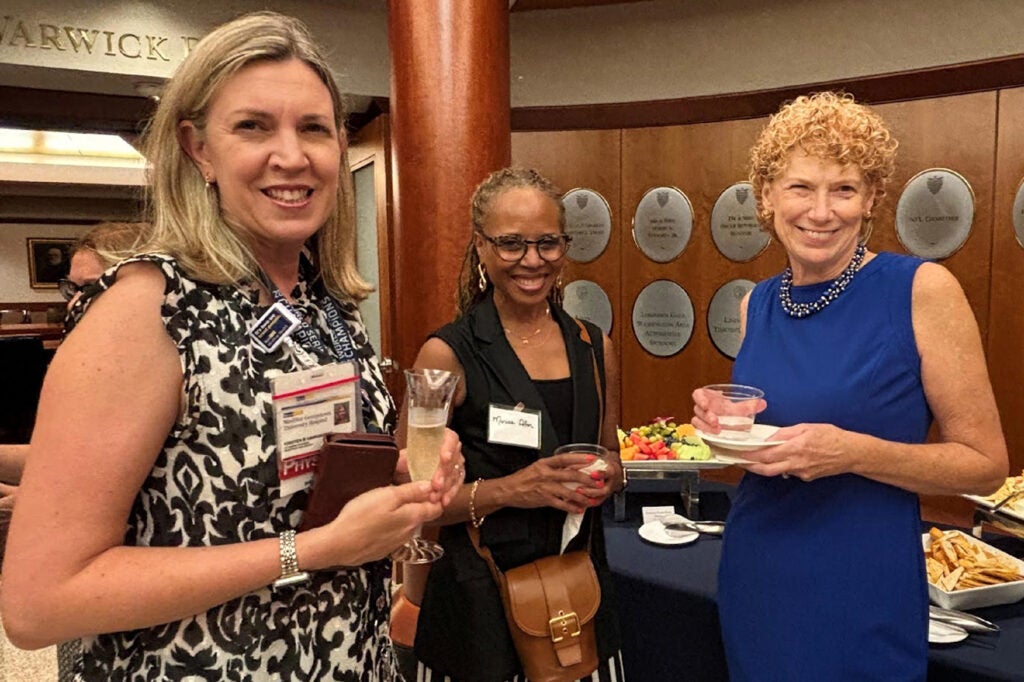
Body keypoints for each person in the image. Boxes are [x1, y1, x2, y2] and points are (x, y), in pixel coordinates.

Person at [0, 12, 461, 681]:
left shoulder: (321, 299)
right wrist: (311, 550)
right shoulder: (145, 310)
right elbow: (38, 603)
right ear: (198, 149)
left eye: (313, 128)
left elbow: (288, 476)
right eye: (253, 127)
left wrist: (394, 472)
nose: (292, 156)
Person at [692, 91, 1008, 680]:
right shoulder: (755, 303)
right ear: (766, 197)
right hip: (758, 569)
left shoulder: (919, 290)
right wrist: (721, 423)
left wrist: (851, 452)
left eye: (843, 189)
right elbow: (772, 432)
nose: (821, 211)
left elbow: (985, 465)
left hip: (860, 581)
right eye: (800, 187)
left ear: (870, 201)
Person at [409, 167, 626, 681]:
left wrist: (612, 474)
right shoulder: (443, 355)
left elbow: (611, 457)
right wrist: (514, 489)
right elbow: (414, 493)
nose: (532, 261)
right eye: (511, 244)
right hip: (476, 613)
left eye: (547, 243)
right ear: (480, 247)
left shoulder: (596, 346)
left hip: (578, 599)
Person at [0, 221, 145, 511]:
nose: (73, 304)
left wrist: (30, 501)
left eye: (91, 288)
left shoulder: (158, 368)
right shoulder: (98, 359)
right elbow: (68, 459)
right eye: (72, 289)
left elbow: (134, 481)